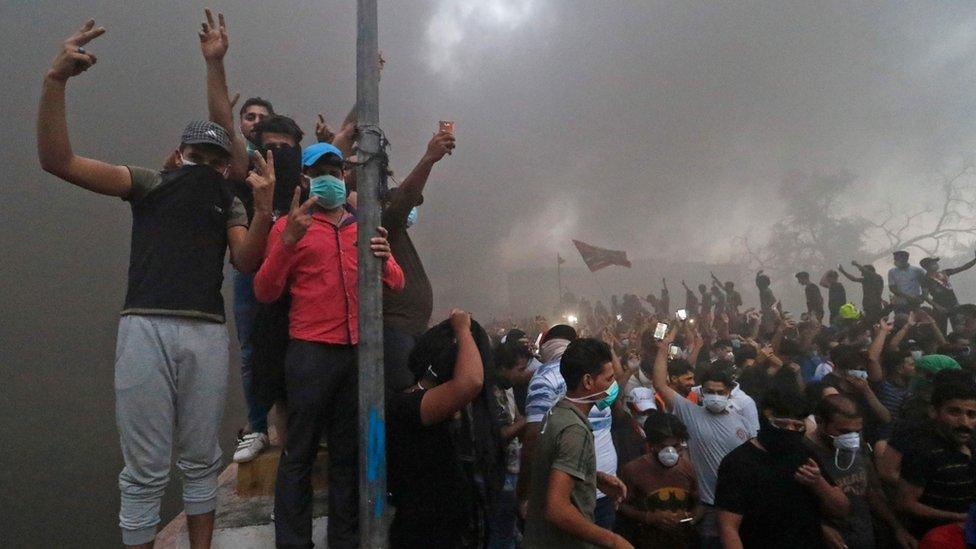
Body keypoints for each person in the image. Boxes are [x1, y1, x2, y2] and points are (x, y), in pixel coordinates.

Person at [37, 15, 276, 548]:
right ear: (177, 155)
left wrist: (262, 212)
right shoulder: (148, 184)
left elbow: (247, 263)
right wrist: (54, 82)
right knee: (144, 468)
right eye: (197, 155)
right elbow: (58, 160)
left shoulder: (228, 200)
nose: (207, 165)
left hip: (206, 333)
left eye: (216, 160)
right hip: (144, 328)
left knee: (200, 460)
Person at [253, 141, 404, 548]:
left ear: (345, 177)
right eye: (320, 172)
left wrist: (386, 256)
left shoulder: (364, 225)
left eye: (335, 172)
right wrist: (287, 243)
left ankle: (345, 540)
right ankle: (293, 542)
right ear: (304, 178)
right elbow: (265, 291)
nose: (329, 179)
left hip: (357, 354)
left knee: (346, 454)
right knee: (298, 454)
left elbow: (396, 281)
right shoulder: (289, 227)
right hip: (310, 352)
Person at [231, 113, 306, 463]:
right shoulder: (245, 186)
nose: (277, 152)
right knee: (262, 362)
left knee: (304, 365)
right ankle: (262, 430)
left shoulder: (309, 189)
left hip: (304, 294)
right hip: (258, 288)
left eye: (285, 147)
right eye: (269, 146)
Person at [386, 311, 491, 548]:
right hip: (422, 536)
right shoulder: (407, 406)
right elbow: (471, 381)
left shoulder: (424, 405)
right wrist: (463, 329)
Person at [523, 338, 632, 549]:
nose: (613, 386)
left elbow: (552, 467)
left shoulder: (557, 412)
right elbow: (557, 509)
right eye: (609, 379)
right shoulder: (575, 430)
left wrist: (592, 477)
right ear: (588, 382)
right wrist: (613, 540)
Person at [651, 327, 752, 548]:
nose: (715, 396)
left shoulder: (741, 421)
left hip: (742, 506)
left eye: (720, 392)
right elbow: (660, 384)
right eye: (710, 392)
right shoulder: (690, 413)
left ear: (729, 393)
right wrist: (663, 348)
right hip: (709, 507)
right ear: (702, 392)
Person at [714, 387, 850, 549]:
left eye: (797, 426)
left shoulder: (803, 455)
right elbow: (728, 528)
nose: (790, 431)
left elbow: (842, 509)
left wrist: (818, 482)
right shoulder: (739, 463)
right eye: (782, 424)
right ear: (765, 419)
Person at [381, 129, 457, 392]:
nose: (412, 208)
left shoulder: (398, 235)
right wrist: (428, 159)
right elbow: (403, 200)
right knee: (404, 392)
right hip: (395, 328)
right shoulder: (384, 223)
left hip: (414, 327)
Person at [806, 394, 917, 549]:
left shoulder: (857, 447)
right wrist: (820, 527)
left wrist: (897, 527)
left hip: (863, 536)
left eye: (856, 431)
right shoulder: (804, 454)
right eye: (843, 431)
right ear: (820, 422)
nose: (851, 437)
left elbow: (871, 492)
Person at [895, 379, 976, 538]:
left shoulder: (971, 445)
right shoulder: (924, 451)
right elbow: (905, 504)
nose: (964, 422)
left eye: (971, 414)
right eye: (954, 412)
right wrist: (959, 517)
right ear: (934, 411)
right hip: (933, 538)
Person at [618, 411, 698, 549]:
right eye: (663, 447)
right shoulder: (633, 470)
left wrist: (689, 518)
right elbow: (620, 506)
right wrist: (648, 517)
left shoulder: (687, 468)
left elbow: (698, 503)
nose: (670, 453)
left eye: (675, 446)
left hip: (681, 541)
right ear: (651, 445)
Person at [920, 254, 976, 333]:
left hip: (954, 305)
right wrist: (938, 307)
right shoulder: (925, 279)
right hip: (940, 307)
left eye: (935, 262)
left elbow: (963, 268)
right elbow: (925, 296)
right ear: (926, 266)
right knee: (942, 329)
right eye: (933, 263)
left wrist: (974, 260)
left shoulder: (945, 273)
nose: (936, 264)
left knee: (958, 327)